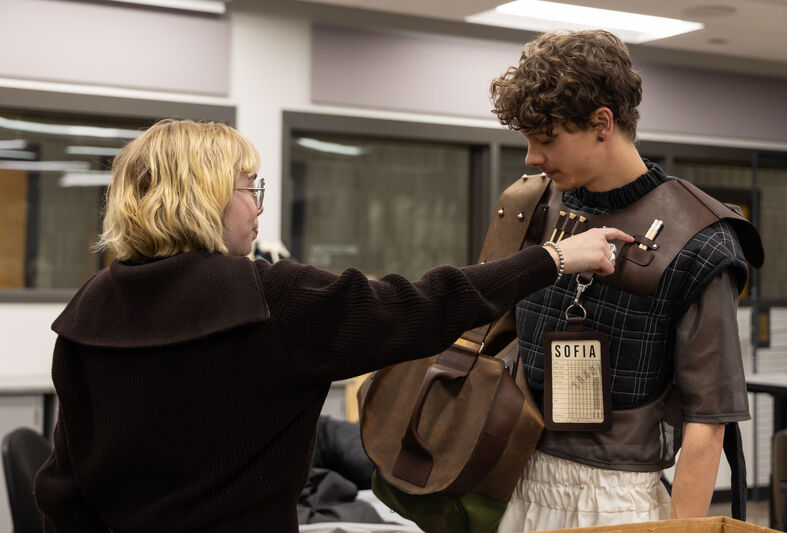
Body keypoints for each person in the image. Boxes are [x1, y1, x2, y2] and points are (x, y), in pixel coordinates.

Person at [32, 118, 630, 532]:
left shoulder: (92, 308)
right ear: (205, 196)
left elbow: (64, 486)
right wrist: (553, 258)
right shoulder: (272, 299)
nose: (258, 205)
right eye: (249, 188)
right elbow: (425, 305)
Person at [488, 30, 760, 531]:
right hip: (511, 484)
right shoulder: (531, 204)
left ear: (602, 123)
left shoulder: (701, 240)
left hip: (615, 504)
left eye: (546, 138)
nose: (531, 157)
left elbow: (708, 421)